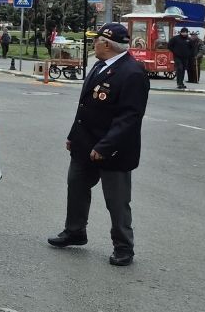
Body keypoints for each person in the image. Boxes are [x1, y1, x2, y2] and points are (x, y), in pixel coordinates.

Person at [48, 22, 148, 267]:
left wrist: (104, 147)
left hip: (113, 150)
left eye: (96, 40)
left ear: (106, 44)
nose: (93, 44)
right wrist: (74, 135)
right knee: (76, 186)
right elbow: (84, 108)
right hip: (84, 144)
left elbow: (129, 118)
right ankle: (75, 231)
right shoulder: (99, 66)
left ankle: (124, 247)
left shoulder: (133, 72)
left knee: (117, 200)